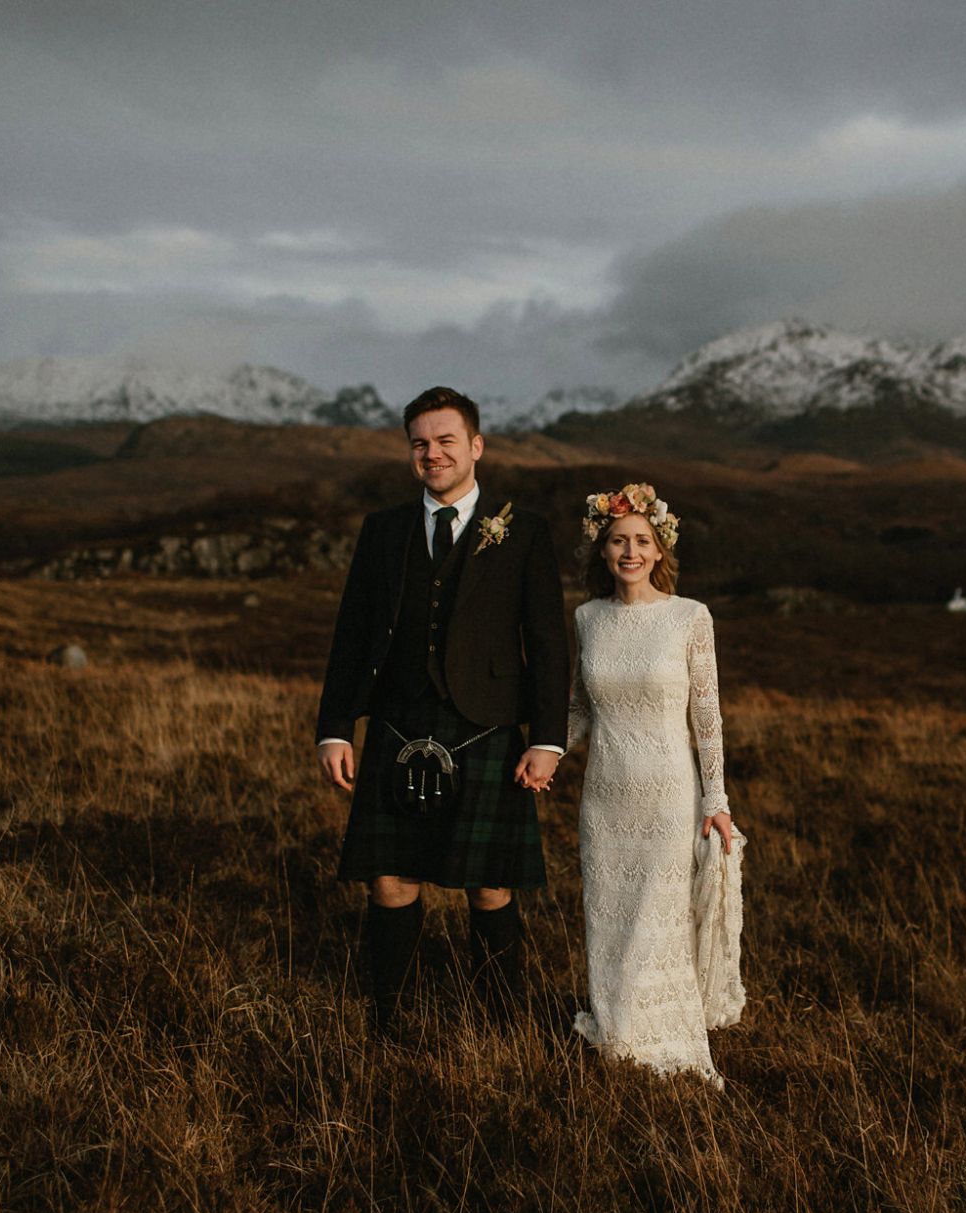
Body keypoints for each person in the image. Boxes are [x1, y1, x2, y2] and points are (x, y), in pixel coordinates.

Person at [314, 386, 568, 1027]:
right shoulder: (383, 531)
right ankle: (390, 1018)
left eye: (446, 440)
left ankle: (501, 1021)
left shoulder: (525, 532)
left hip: (486, 725)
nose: (433, 453)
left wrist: (548, 737)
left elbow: (546, 641)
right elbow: (351, 633)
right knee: (391, 880)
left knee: (490, 883)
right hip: (399, 720)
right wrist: (336, 728)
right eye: (420, 443)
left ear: (476, 446)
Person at [564, 483, 745, 1087]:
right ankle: (616, 1032)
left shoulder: (690, 618)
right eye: (618, 541)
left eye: (641, 541)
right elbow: (579, 711)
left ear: (660, 548)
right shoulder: (587, 620)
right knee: (608, 916)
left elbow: (707, 716)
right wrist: (543, 753)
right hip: (606, 797)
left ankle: (659, 1038)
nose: (630, 551)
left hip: (670, 794)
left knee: (654, 917)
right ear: (602, 549)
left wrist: (716, 800)